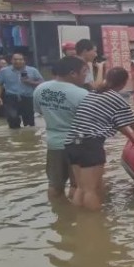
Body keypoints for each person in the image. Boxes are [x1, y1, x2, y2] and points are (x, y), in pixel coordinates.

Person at [66, 68, 134, 211]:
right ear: (124, 83)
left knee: (81, 187)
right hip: (89, 143)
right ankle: (96, 226)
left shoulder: (94, 94)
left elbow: (118, 122)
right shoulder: (116, 99)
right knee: (91, 190)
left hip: (72, 142)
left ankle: (79, 224)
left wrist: (132, 138)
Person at [33, 56, 90, 198]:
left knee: (54, 184)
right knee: (77, 185)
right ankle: (76, 217)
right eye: (84, 71)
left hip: (53, 143)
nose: (86, 76)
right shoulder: (82, 94)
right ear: (72, 73)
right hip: (77, 143)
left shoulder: (40, 89)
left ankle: (59, 216)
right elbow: (90, 122)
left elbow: (39, 111)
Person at [0, 52, 44, 128]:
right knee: (12, 118)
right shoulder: (4, 71)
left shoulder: (32, 70)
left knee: (29, 124)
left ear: (24, 61)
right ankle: (15, 136)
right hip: (11, 98)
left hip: (28, 98)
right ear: (11, 61)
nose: (18, 61)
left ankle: (27, 137)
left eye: (20, 59)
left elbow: (42, 82)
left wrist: (30, 81)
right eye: (15, 59)